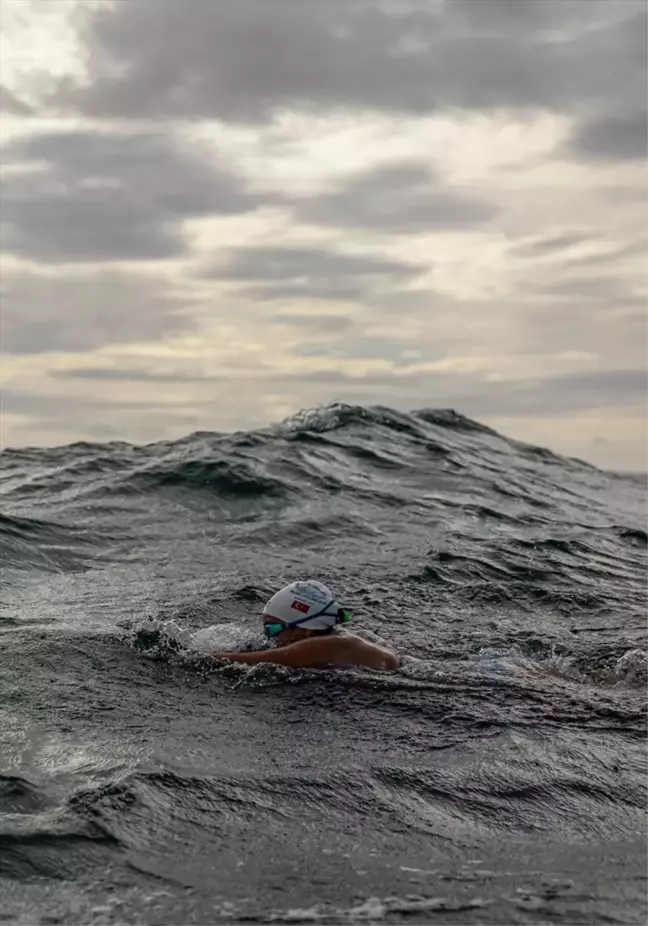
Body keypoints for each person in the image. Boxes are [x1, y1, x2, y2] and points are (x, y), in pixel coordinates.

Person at [212, 580, 399, 670]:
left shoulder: (323, 645)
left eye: (271, 629)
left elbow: (266, 659)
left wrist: (197, 657)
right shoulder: (334, 639)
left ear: (304, 628)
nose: (266, 635)